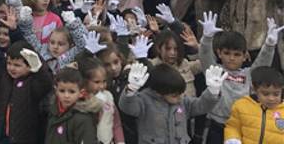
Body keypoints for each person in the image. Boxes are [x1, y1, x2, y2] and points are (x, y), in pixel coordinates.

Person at [197, 11, 283, 144]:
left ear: (245, 56)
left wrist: (270, 45)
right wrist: (207, 38)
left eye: (237, 54)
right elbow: (204, 55)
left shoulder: (248, 74)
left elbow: (262, 63)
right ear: (219, 53)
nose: (231, 58)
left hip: (241, 126)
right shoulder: (215, 71)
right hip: (215, 124)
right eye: (227, 53)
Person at [119, 63, 226, 144]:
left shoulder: (183, 102)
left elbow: (201, 105)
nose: (179, 98)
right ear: (159, 91)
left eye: (180, 94)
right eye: (174, 95)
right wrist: (130, 90)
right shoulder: (144, 100)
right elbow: (128, 107)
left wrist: (212, 92)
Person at [0, 39, 53, 144]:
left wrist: (39, 68)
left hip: (24, 139)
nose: (11, 68)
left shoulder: (33, 83)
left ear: (30, 66)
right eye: (9, 63)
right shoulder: (4, 77)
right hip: (2, 136)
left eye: (17, 65)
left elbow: (46, 83)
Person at [224, 66, 284, 143]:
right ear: (254, 90)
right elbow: (233, 127)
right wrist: (232, 138)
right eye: (265, 94)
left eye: (276, 94)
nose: (271, 98)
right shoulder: (242, 105)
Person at [44, 67, 99, 144]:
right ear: (56, 90)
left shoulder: (83, 118)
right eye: (62, 91)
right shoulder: (52, 111)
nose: (66, 96)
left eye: (72, 92)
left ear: (81, 93)